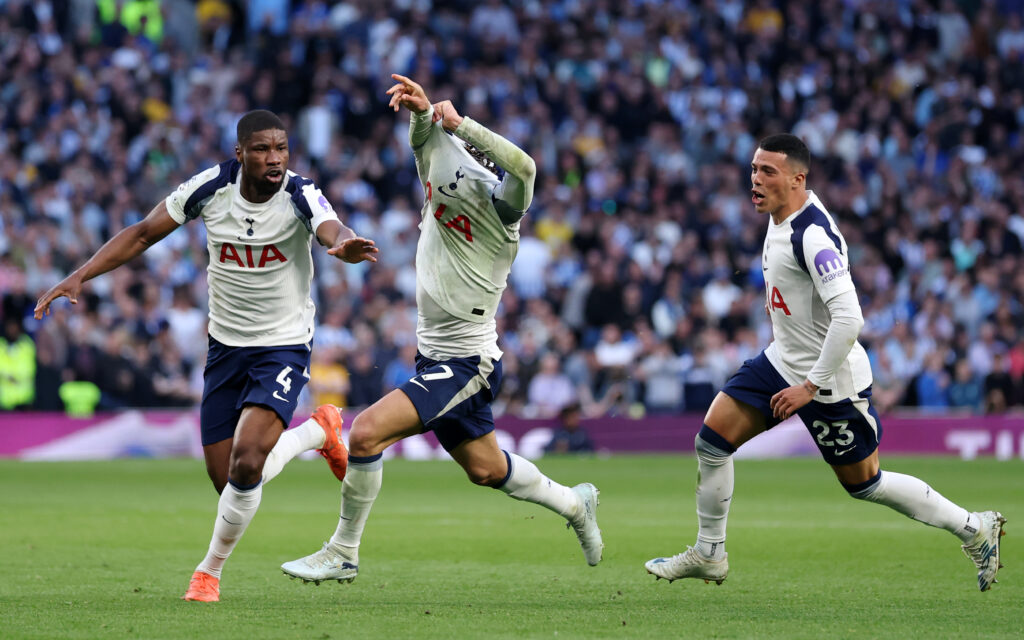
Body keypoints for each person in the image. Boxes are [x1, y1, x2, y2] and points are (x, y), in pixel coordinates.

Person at [33, 110, 380, 602]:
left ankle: (208, 573)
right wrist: (80, 276)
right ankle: (317, 432)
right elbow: (142, 233)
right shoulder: (210, 187)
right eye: (262, 148)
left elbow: (331, 226)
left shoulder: (301, 192)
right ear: (240, 154)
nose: (274, 158)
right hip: (225, 349)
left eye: (281, 147)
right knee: (230, 483)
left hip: (282, 346)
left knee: (245, 466)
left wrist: (343, 246)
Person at [644, 134, 1005, 592]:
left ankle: (976, 528)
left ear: (798, 178)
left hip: (830, 381)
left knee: (865, 484)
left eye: (767, 172)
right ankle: (710, 553)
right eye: (754, 169)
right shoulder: (780, 216)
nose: (755, 179)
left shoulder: (811, 236)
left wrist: (809, 387)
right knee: (712, 443)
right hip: (783, 361)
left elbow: (850, 317)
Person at [280, 74, 603, 585]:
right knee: (487, 470)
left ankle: (343, 552)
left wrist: (460, 123)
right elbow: (422, 143)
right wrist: (421, 110)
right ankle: (575, 503)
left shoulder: (502, 213)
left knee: (364, 434)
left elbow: (526, 166)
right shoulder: (439, 187)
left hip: (467, 364)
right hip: (436, 358)